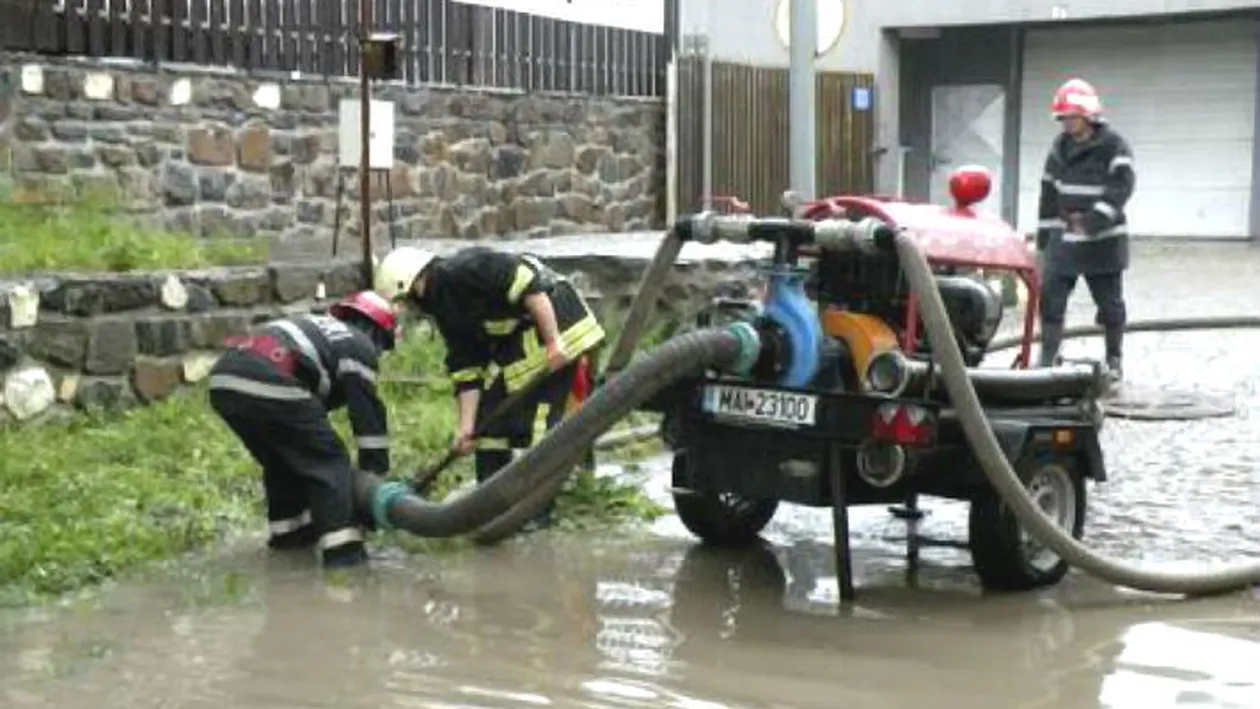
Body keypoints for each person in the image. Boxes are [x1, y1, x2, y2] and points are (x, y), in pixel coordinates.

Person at [373, 245, 605, 524]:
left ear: (414, 283)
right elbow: (467, 367)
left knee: (537, 420)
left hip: (560, 327)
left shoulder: (469, 268)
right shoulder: (445, 307)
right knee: (490, 419)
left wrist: (554, 342)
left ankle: (537, 510)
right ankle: (491, 502)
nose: (408, 307)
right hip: (526, 336)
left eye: (405, 299)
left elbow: (531, 287)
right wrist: (467, 428)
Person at [207, 291, 399, 568]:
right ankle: (345, 558)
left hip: (224, 380)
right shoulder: (359, 344)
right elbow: (369, 424)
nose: (380, 353)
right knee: (329, 462)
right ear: (377, 332)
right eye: (384, 346)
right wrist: (372, 481)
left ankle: (290, 543)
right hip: (269, 375)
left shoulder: (320, 327)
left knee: (284, 461)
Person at [1034, 77, 1136, 384]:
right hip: (1064, 241)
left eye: (1072, 117)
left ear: (1089, 116)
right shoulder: (1059, 149)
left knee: (1110, 305)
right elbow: (1048, 195)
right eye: (1063, 118)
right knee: (1051, 301)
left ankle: (1114, 359)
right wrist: (1043, 243)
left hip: (1102, 242)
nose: (1066, 123)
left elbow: (1122, 187)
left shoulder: (1114, 146)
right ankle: (1048, 357)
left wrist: (1093, 221)